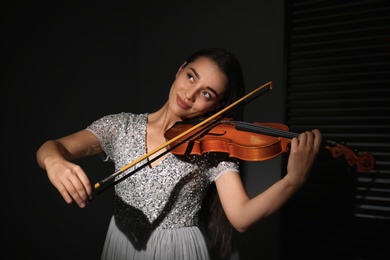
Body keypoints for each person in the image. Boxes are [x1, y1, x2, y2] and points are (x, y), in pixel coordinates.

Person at [36, 47, 322, 260]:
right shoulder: (119, 126)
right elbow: (51, 147)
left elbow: (241, 217)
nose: (190, 94)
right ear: (180, 69)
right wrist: (54, 162)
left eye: (207, 94)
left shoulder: (212, 147)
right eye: (191, 77)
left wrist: (293, 180)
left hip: (178, 250)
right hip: (121, 243)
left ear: (217, 106)